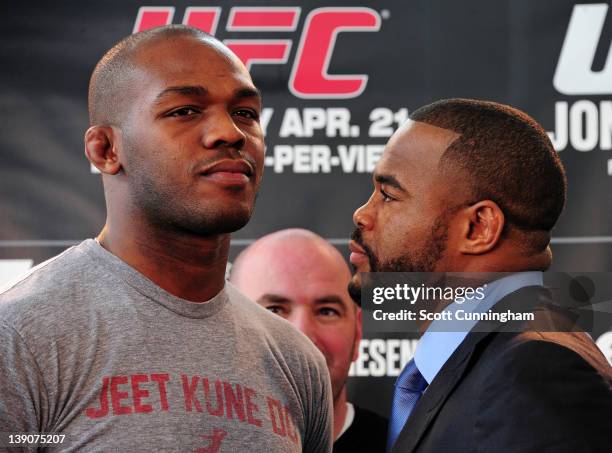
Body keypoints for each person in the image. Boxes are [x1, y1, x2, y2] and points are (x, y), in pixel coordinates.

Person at [0, 26, 332, 452]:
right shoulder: (21, 339)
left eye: (245, 113)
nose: (230, 133)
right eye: (185, 111)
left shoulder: (296, 362)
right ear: (105, 149)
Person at [348, 99, 612, 453]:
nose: (362, 215)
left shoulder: (534, 370)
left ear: (478, 228)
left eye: (389, 195)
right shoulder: (500, 356)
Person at [230, 229, 388, 452]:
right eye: (274, 310)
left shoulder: (406, 447)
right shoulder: (188, 441)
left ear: (358, 330)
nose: (302, 334)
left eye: (326, 311)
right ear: (228, 325)